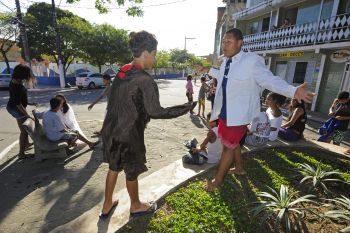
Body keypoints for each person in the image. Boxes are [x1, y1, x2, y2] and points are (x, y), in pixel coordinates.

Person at [100, 31, 194, 219]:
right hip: (128, 134)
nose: (155, 59)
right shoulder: (145, 80)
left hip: (110, 130)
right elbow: (156, 112)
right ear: (145, 53)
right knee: (131, 170)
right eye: (155, 54)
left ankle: (107, 205)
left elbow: (114, 97)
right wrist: (186, 107)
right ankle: (135, 206)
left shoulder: (122, 70)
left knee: (113, 167)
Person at [207, 28, 313, 191]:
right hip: (224, 111)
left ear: (240, 43)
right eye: (223, 42)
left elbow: (269, 80)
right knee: (232, 143)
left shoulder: (251, 61)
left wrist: (292, 91)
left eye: (228, 42)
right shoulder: (226, 61)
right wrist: (206, 70)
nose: (224, 45)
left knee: (228, 146)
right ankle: (240, 168)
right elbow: (222, 77)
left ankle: (218, 180)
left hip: (239, 114)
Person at [34, 97, 99, 148]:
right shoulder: (55, 115)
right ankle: (89, 143)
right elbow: (62, 129)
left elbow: (38, 115)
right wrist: (69, 130)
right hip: (54, 136)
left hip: (49, 134)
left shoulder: (46, 112)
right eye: (60, 105)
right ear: (58, 106)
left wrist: (34, 111)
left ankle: (86, 143)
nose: (61, 106)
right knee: (76, 133)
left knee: (73, 131)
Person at [6, 64, 38, 159]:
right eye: (28, 74)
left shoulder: (15, 81)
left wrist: (30, 103)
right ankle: (21, 154)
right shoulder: (17, 86)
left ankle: (27, 144)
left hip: (12, 107)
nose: (29, 76)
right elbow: (18, 104)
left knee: (24, 128)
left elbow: (19, 99)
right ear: (22, 74)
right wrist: (27, 115)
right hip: (15, 108)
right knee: (24, 130)